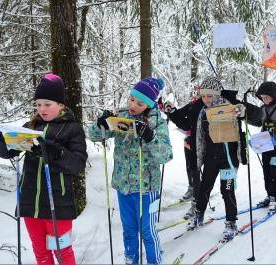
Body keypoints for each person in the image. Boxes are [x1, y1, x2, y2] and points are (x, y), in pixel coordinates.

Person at [0, 74, 88, 265]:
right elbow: (7, 153)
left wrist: (56, 152)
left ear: (61, 104)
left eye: (47, 104)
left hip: (58, 203)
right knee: (40, 251)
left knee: (61, 251)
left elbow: (78, 164)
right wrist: (3, 143)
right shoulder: (30, 126)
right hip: (30, 201)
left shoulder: (72, 128)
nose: (42, 109)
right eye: (38, 104)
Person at [87, 77, 173, 265]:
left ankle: (154, 261)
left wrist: (150, 137)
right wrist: (100, 124)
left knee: (147, 230)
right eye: (131, 99)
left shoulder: (156, 122)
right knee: (129, 229)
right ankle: (130, 260)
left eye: (140, 103)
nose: (133, 105)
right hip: (123, 186)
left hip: (146, 188)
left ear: (149, 104)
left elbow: (166, 156)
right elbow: (93, 135)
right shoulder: (122, 116)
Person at [180, 76, 246, 241]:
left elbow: (248, 115)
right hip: (211, 157)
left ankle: (231, 222)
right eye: (203, 96)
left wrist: (242, 111)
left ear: (217, 94)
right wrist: (198, 158)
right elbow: (200, 137)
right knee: (204, 188)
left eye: (210, 95)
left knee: (227, 191)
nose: (206, 99)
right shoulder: (203, 112)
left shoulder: (230, 107)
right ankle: (199, 215)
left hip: (228, 159)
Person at [224, 81, 276, 214]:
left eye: (267, 97)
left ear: (274, 95)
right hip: (265, 143)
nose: (264, 100)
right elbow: (257, 121)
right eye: (263, 97)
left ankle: (275, 198)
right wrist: (244, 117)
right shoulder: (263, 108)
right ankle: (269, 195)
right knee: (267, 171)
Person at [160, 86, 205, 220]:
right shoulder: (193, 103)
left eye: (200, 92)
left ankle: (197, 203)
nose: (197, 94)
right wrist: (171, 111)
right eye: (197, 91)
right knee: (190, 168)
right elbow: (183, 121)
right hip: (189, 142)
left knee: (197, 173)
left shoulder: (205, 105)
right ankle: (192, 188)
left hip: (201, 144)